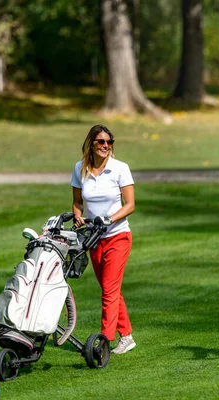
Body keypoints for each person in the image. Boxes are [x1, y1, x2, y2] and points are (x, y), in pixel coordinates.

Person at [70, 124, 136, 354]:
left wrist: (109, 219)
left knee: (108, 290)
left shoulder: (120, 169)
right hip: (94, 238)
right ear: (91, 144)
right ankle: (126, 336)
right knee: (112, 290)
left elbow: (130, 205)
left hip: (117, 236)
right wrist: (78, 216)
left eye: (109, 142)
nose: (105, 146)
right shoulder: (80, 169)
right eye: (100, 142)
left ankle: (104, 342)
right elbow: (78, 202)